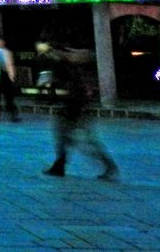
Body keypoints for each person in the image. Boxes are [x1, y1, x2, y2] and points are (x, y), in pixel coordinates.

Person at [35, 39, 118, 180]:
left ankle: (108, 165)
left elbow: (67, 73)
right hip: (75, 102)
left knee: (80, 138)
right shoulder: (70, 58)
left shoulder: (68, 58)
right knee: (67, 135)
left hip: (75, 103)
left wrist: (51, 54)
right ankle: (60, 165)